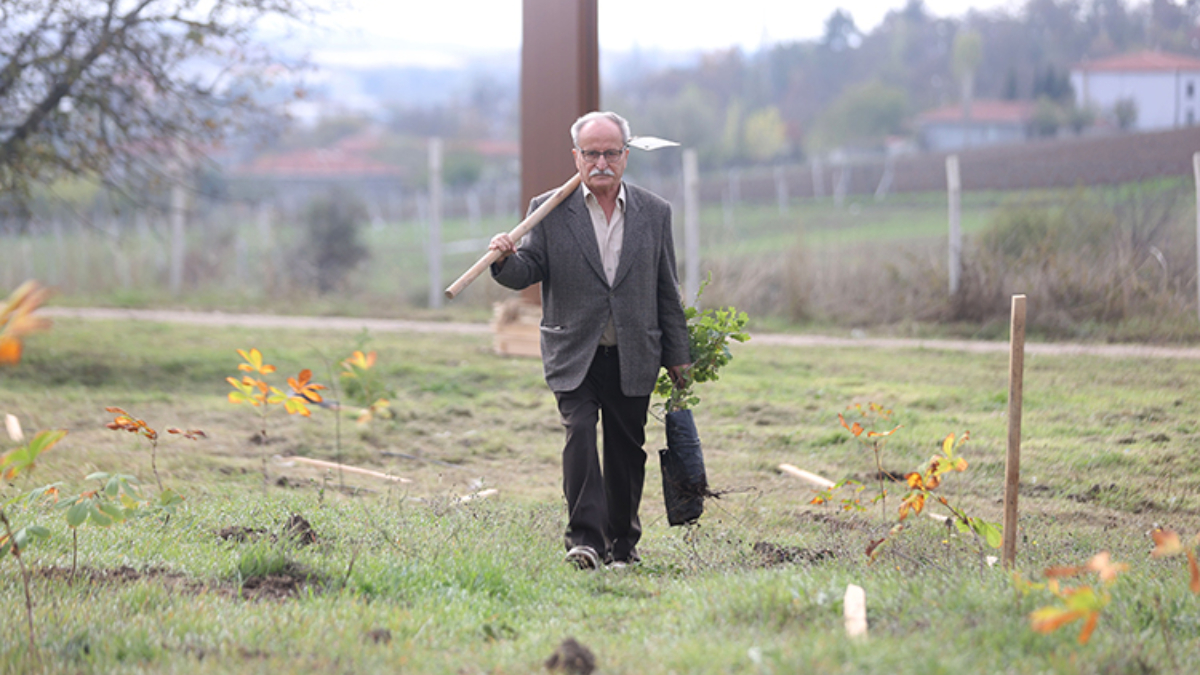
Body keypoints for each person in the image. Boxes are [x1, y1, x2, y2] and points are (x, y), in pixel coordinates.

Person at [489, 111, 691, 570]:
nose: (602, 161)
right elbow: (530, 270)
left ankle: (622, 546)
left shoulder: (654, 213)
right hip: (573, 350)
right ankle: (584, 541)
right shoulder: (550, 209)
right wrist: (504, 259)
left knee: (625, 448)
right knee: (579, 434)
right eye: (592, 153)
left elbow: (666, 287)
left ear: (625, 155)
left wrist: (678, 355)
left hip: (633, 350)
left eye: (611, 152)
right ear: (576, 157)